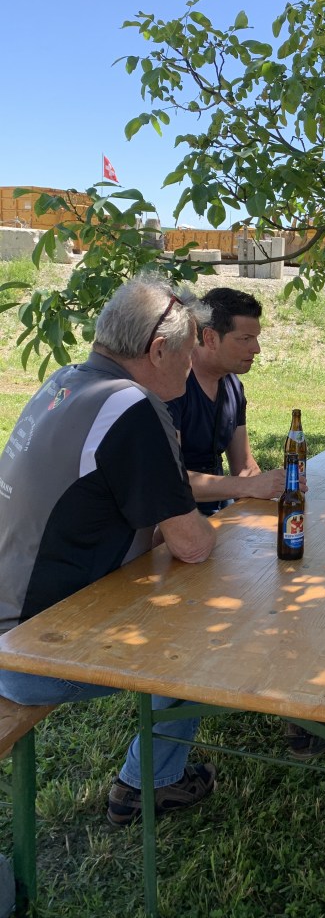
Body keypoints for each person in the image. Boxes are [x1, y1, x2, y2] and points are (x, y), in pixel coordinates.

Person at [0, 275, 219, 827]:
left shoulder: (65, 381)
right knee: (204, 637)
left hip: (13, 623)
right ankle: (151, 783)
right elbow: (192, 545)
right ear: (159, 350)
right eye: (189, 353)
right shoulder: (132, 407)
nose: (191, 368)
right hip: (30, 652)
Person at [168, 287, 297, 515]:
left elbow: (244, 467)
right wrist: (249, 486)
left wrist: (279, 488)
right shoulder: (173, 386)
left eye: (256, 338)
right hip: (175, 521)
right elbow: (169, 480)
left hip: (223, 514)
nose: (256, 349)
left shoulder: (232, 386)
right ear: (210, 338)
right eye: (245, 339)